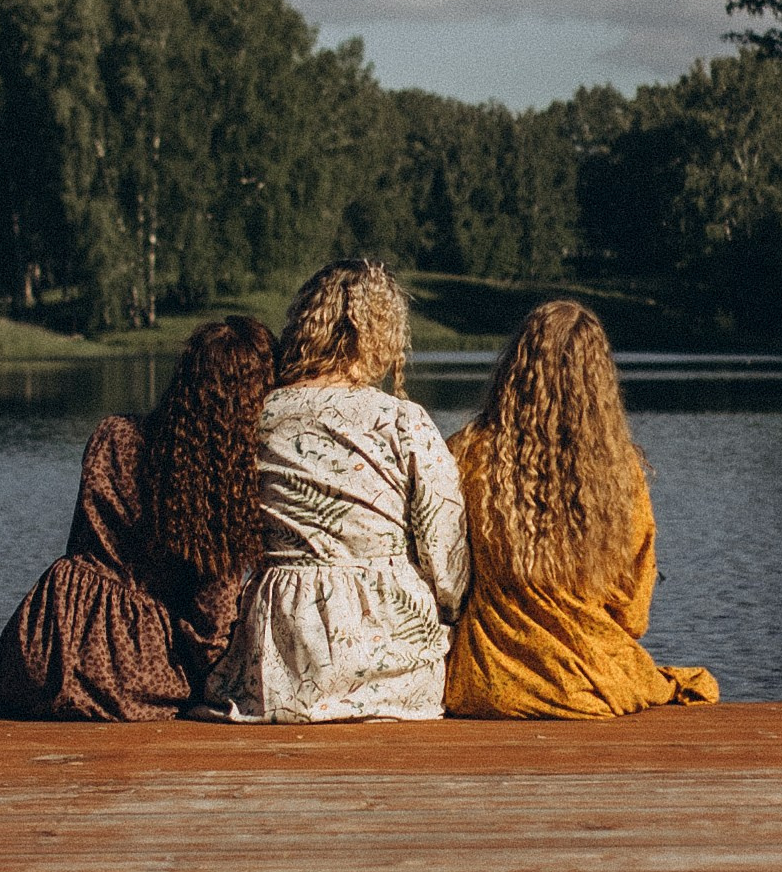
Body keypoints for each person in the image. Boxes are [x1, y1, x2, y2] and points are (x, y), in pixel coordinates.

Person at [0, 313, 273, 721]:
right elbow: (211, 625)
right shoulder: (224, 482)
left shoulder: (113, 434)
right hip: (136, 673)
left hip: (48, 640)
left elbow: (81, 546)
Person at [210, 260, 466, 721]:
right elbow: (444, 557)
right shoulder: (403, 422)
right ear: (382, 333)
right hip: (388, 642)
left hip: (281, 652)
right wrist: (450, 609)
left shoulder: (260, 414)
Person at [444, 298, 718, 717]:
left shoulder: (467, 454)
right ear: (600, 382)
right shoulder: (620, 471)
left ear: (514, 368)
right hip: (590, 681)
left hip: (488, 682)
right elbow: (631, 612)